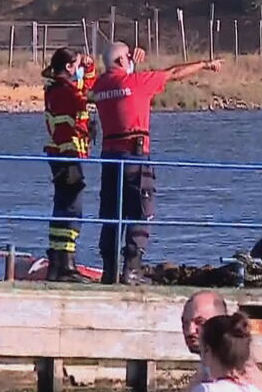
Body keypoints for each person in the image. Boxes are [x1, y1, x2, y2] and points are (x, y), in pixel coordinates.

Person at [90, 42, 222, 284]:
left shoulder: (99, 86)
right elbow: (173, 73)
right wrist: (205, 64)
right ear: (122, 61)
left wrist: (133, 64)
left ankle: (109, 272)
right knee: (141, 212)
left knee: (111, 215)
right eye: (128, 57)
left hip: (109, 159)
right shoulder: (138, 82)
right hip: (135, 157)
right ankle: (131, 270)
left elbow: (117, 84)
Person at [42, 47, 98, 282]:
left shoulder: (56, 88)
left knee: (63, 206)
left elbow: (86, 88)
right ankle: (65, 264)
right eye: (76, 65)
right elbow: (88, 96)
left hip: (61, 154)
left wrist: (89, 67)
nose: (79, 69)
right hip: (68, 154)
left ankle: (57, 262)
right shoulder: (65, 92)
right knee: (72, 208)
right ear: (68, 67)